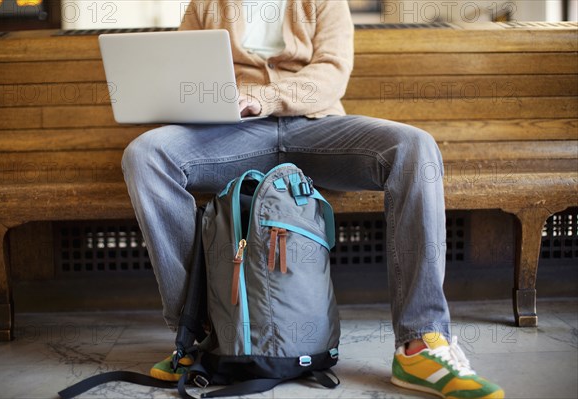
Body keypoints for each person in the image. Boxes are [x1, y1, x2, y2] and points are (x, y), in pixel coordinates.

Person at [121, 1, 504, 398]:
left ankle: (420, 343)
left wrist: (265, 98)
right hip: (233, 132)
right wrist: (195, 99)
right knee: (146, 155)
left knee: (414, 147)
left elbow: (331, 74)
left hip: (317, 126)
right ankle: (196, 335)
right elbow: (186, 74)